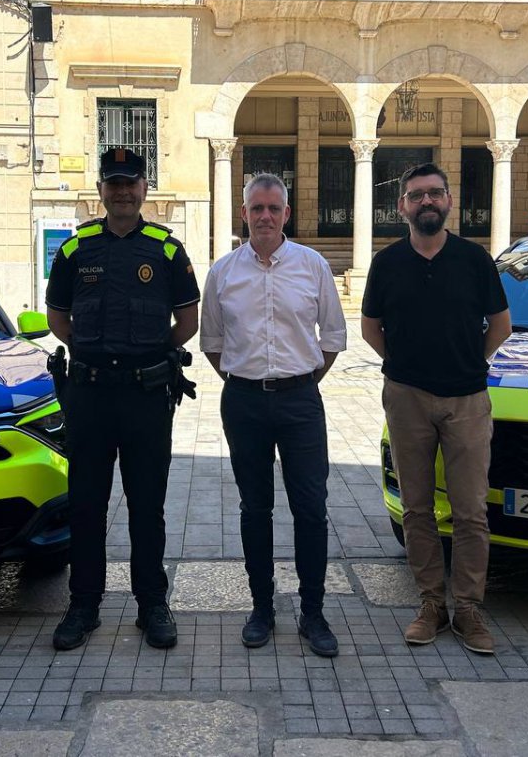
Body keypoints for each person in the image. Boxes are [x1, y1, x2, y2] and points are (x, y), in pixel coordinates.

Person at [45, 147, 200, 650]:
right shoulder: (75, 250)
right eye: (114, 183)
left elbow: (189, 323)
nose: (123, 192)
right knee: (87, 505)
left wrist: (149, 355)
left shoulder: (167, 251)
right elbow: (57, 320)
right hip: (88, 394)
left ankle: (152, 604)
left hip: (145, 396)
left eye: (131, 183)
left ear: (144, 190)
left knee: (147, 504)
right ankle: (83, 606)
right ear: (101, 191)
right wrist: (96, 353)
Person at [360, 164, 511, 654]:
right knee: (417, 508)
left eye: (435, 193)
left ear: (449, 202)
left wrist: (466, 362)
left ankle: (467, 608)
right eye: (416, 195)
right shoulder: (387, 264)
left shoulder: (474, 260)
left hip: (467, 398)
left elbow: (501, 325)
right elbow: (370, 328)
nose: (426, 201)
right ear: (402, 207)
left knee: (470, 511)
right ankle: (431, 603)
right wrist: (405, 365)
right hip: (406, 398)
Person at [201, 173, 347, 658]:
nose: (265, 216)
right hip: (243, 402)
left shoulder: (313, 266)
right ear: (243, 213)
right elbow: (213, 341)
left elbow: (332, 335)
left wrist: (299, 382)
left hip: (301, 401)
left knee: (310, 508)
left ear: (287, 214)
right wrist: (247, 383)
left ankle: (313, 612)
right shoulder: (223, 273)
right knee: (254, 508)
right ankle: (261, 609)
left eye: (274, 208)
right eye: (256, 208)